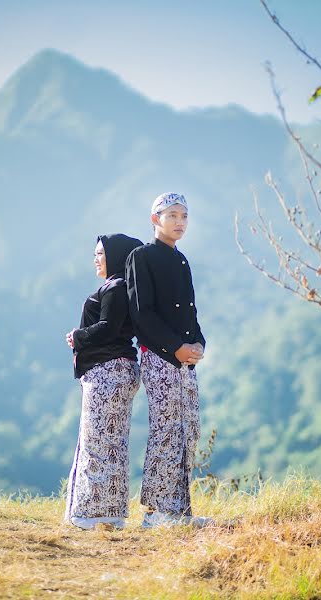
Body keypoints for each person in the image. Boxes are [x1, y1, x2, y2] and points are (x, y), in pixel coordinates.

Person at [125, 192, 212, 528]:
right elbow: (141, 313)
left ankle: (179, 511)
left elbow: (190, 312)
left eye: (185, 216)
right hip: (159, 356)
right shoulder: (141, 257)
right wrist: (175, 347)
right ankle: (158, 513)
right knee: (166, 429)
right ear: (155, 219)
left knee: (187, 429)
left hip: (185, 359)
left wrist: (198, 344)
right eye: (172, 215)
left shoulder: (182, 260)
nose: (179, 222)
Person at [64, 233, 143, 530]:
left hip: (107, 370)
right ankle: (109, 514)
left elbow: (108, 327)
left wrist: (78, 335)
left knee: (97, 442)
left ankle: (90, 515)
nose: (96, 258)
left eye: (100, 253)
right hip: (119, 370)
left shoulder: (116, 287)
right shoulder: (126, 286)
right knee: (112, 444)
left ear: (116, 255)